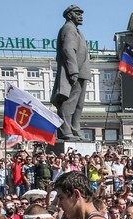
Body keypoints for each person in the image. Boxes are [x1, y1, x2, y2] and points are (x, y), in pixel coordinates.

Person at [50, 5, 91, 141]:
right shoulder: (68, 28)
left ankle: (75, 129)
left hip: (81, 72)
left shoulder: (77, 30)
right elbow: (68, 50)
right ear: (69, 15)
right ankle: (65, 131)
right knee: (69, 102)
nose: (81, 16)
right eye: (77, 13)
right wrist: (73, 71)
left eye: (81, 13)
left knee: (78, 105)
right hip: (74, 71)